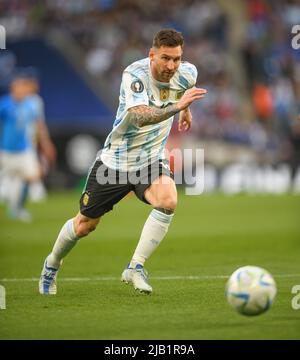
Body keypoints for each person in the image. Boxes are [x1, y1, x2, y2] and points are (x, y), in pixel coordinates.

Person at [39, 28, 207, 295]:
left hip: (150, 160)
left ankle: (135, 267)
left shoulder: (188, 72)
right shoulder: (135, 75)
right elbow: (140, 116)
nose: (171, 66)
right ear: (151, 55)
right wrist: (177, 108)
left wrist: (185, 110)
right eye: (165, 58)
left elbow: (184, 90)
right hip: (115, 164)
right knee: (84, 225)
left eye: (176, 59)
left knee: (168, 201)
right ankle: (52, 264)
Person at [0, 70, 56, 221]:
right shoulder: (4, 104)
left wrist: (46, 144)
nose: (23, 90)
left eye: (24, 86)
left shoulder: (30, 105)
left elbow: (39, 125)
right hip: (5, 150)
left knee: (32, 176)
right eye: (20, 87)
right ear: (13, 88)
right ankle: (13, 203)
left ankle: (17, 209)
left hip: (23, 149)